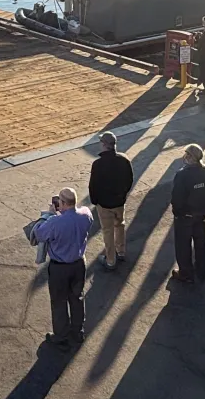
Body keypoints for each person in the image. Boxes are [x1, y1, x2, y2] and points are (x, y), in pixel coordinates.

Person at [33, 186, 93, 348]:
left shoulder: (55, 222)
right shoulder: (86, 214)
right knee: (77, 298)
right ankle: (78, 330)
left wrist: (50, 214)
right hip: (79, 264)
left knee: (59, 302)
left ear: (63, 203)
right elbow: (84, 220)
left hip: (60, 268)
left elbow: (39, 234)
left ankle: (61, 335)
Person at [170, 143, 205, 283]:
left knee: (183, 246)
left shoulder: (182, 175)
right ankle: (201, 270)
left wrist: (178, 213)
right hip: (201, 215)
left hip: (185, 217)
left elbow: (177, 198)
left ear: (190, 157)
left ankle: (185, 274)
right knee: (200, 244)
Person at [87, 131, 134, 271]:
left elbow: (93, 185)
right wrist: (123, 194)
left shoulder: (98, 164)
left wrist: (95, 201)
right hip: (119, 202)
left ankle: (110, 260)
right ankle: (121, 252)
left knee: (108, 231)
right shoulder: (124, 160)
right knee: (120, 225)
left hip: (104, 204)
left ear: (103, 145)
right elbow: (129, 180)